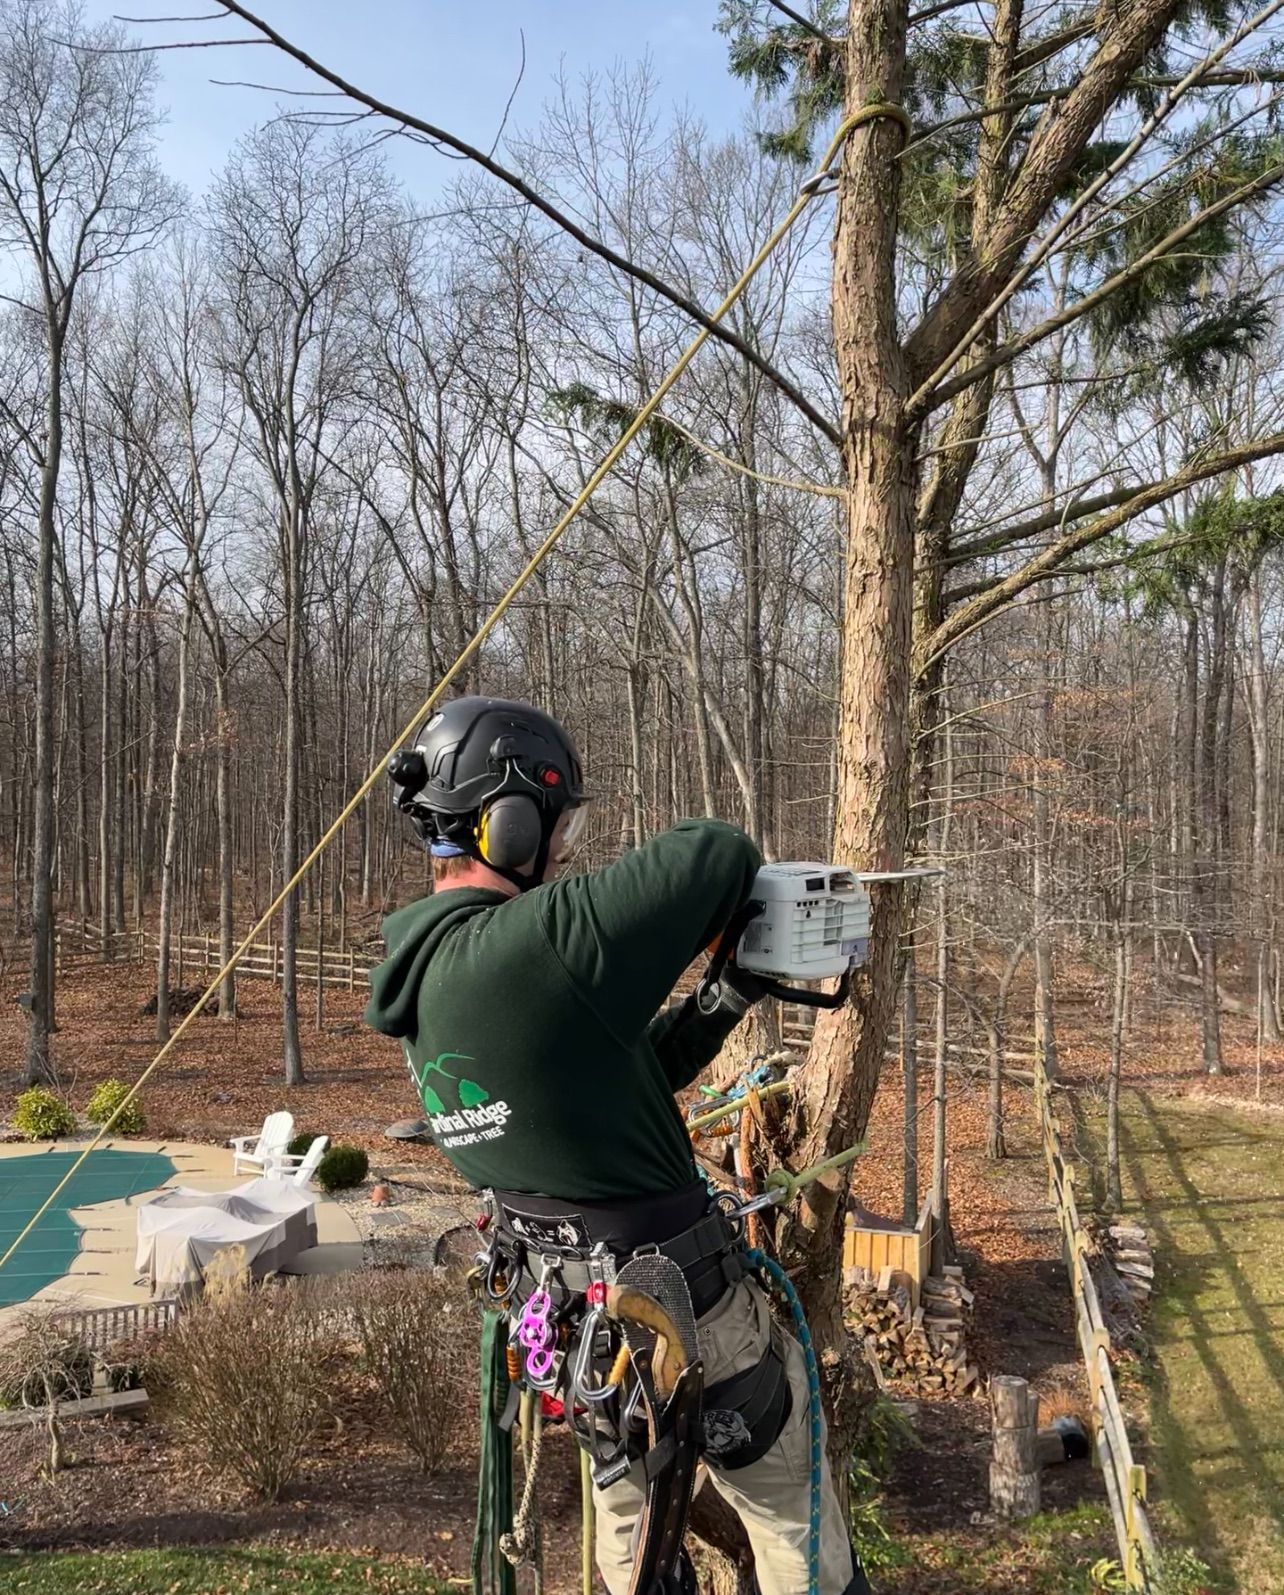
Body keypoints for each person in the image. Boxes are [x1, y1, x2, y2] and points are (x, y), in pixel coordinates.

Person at [364, 695, 866, 1595]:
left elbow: (619, 1076)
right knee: (800, 1536)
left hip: (585, 1335)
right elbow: (716, 851)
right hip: (688, 1318)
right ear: (508, 824)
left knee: (630, 1552)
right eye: (552, 827)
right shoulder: (528, 946)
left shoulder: (430, 981)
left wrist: (728, 992)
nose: (560, 852)